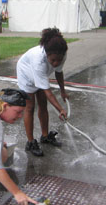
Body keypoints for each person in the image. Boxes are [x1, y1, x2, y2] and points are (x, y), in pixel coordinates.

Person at [17, 27, 69, 157]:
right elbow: (48, 91)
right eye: (53, 61)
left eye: (59, 60)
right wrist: (60, 109)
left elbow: (59, 72)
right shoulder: (38, 61)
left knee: (43, 105)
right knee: (30, 107)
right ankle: (30, 142)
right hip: (26, 74)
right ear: (46, 55)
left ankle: (45, 136)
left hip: (41, 75)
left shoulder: (62, 53)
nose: (56, 63)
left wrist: (63, 91)